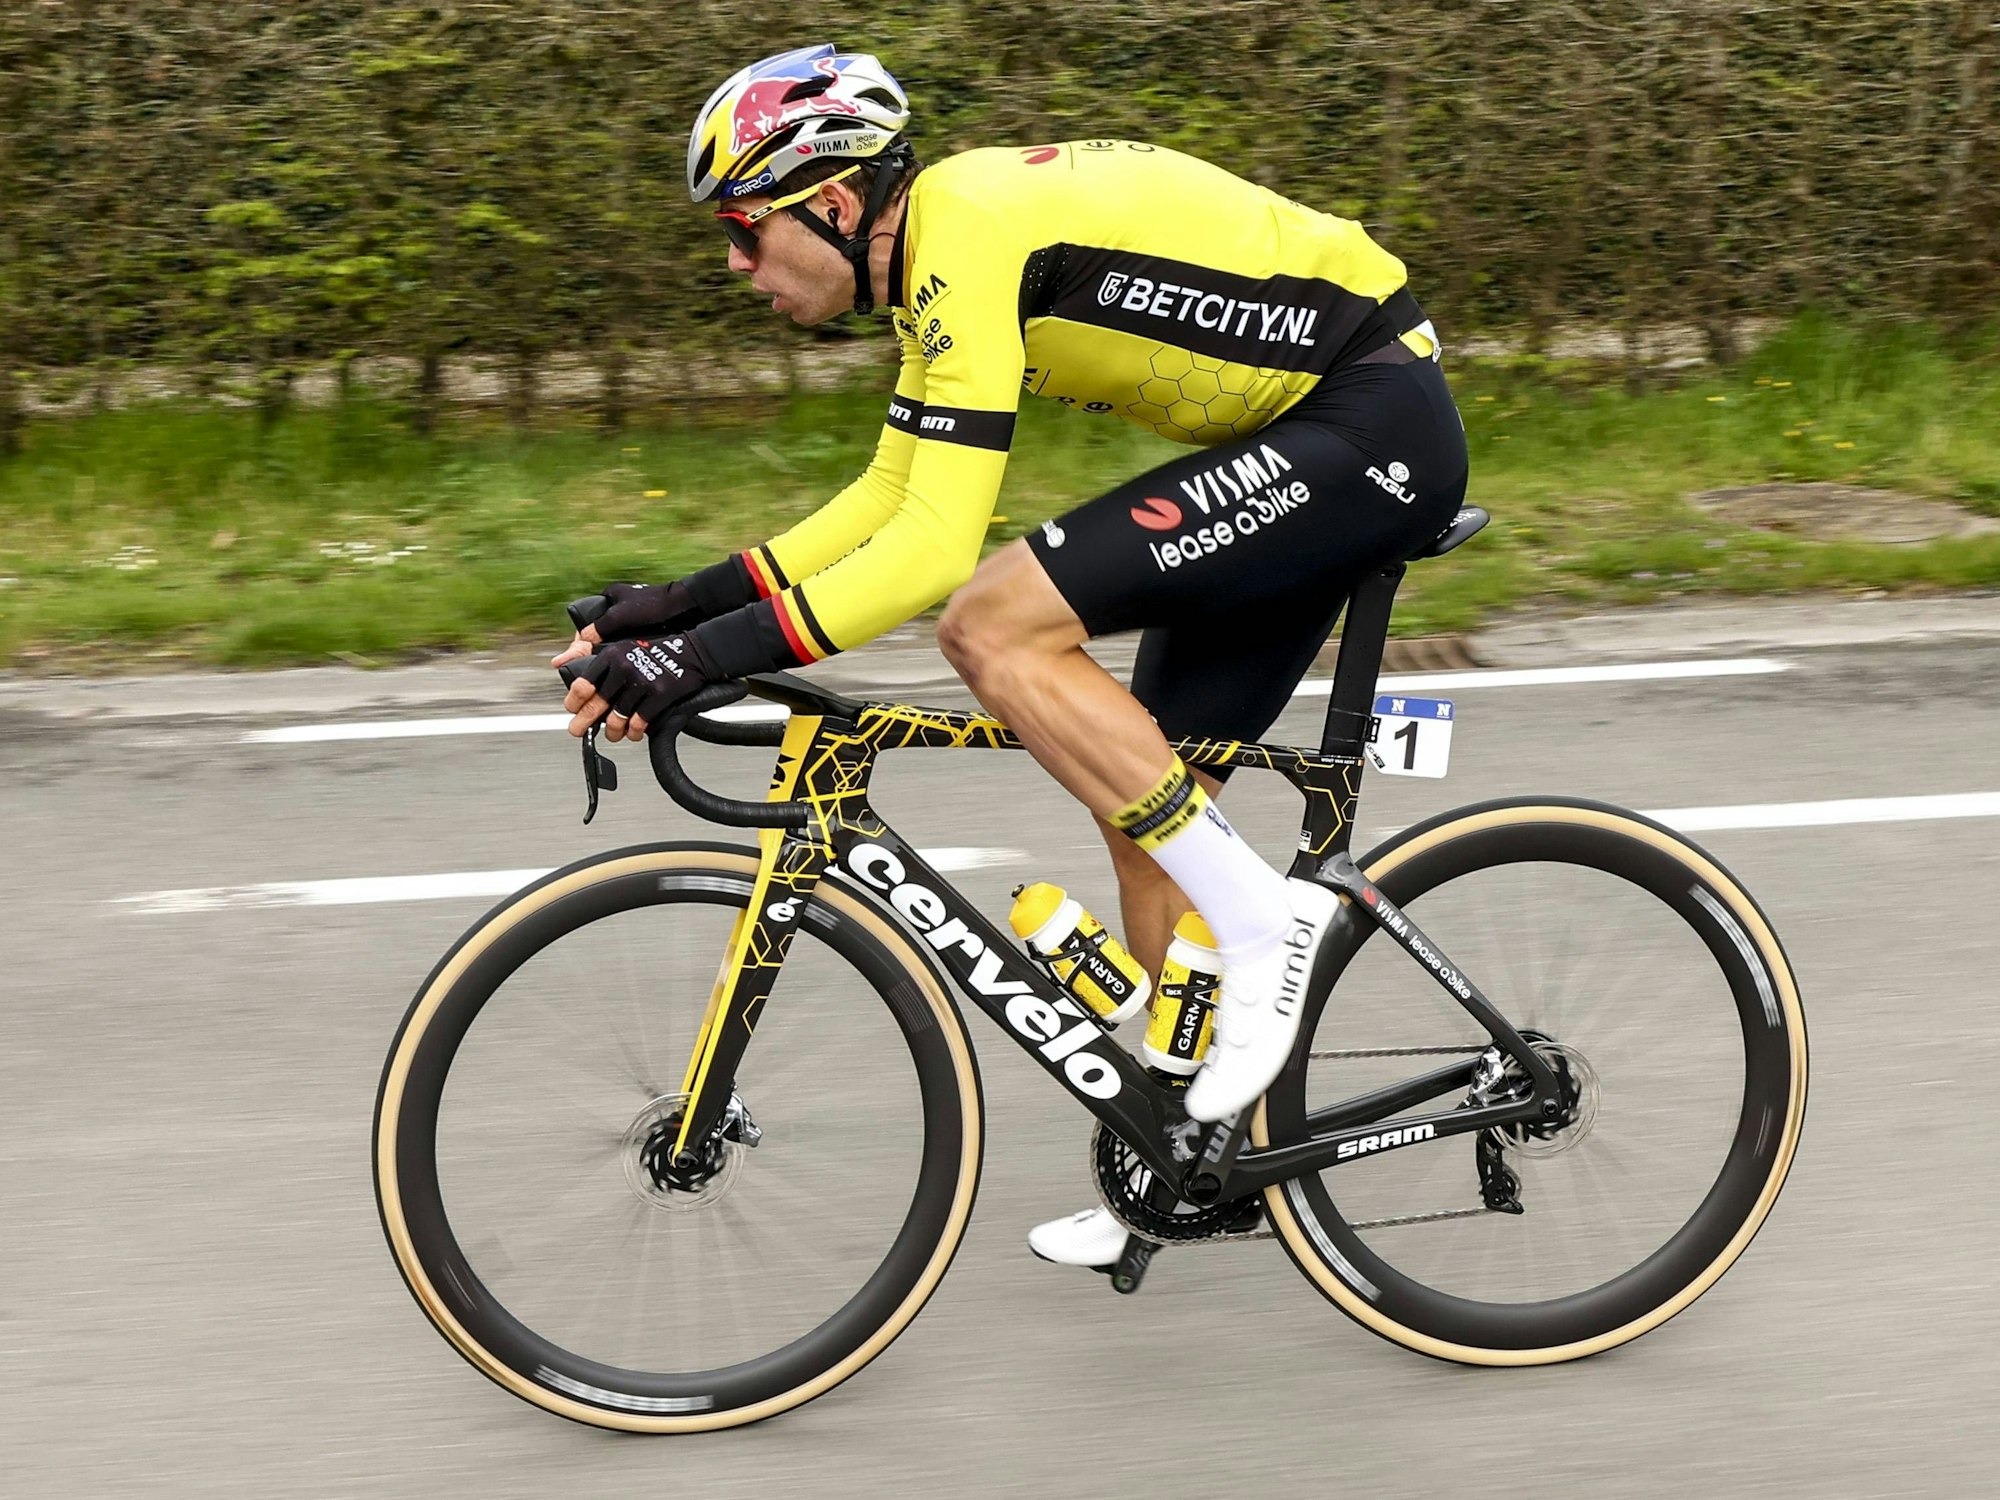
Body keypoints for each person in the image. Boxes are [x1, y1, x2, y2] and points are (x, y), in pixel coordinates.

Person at [556, 43, 1468, 1270]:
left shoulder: (964, 229)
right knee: (1142, 792)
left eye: (741, 226)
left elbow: (933, 551)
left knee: (989, 624)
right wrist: (673, 610)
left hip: (1367, 417)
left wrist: (700, 661)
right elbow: (890, 493)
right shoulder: (939, 260)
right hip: (1304, 432)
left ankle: (1264, 931)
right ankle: (1183, 1152)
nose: (733, 262)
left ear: (828, 201)